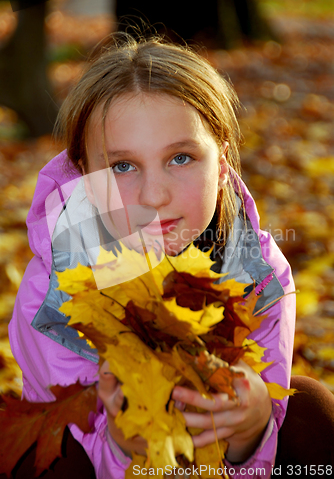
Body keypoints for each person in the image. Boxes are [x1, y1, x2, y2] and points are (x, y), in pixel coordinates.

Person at [7, 33, 321, 479]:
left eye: (181, 158)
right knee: (37, 459)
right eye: (122, 166)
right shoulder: (54, 292)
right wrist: (121, 444)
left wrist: (251, 435)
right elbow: (74, 440)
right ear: (85, 178)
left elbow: (254, 458)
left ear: (222, 165)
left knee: (310, 408)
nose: (154, 195)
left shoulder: (259, 276)